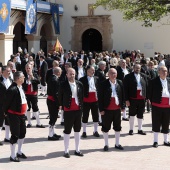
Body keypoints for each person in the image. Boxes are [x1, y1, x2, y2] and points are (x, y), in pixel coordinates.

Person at [59, 68, 84, 158]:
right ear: (67, 75)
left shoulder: (79, 84)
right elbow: (60, 96)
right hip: (68, 110)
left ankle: (77, 149)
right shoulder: (63, 84)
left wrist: (82, 108)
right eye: (70, 74)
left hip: (78, 109)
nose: (72, 75)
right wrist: (61, 105)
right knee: (67, 130)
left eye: (73, 74)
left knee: (77, 130)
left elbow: (82, 96)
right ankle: (66, 150)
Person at [98, 68, 125, 151]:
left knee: (117, 127)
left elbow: (123, 95)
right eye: (111, 73)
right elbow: (100, 98)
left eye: (114, 73)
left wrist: (123, 106)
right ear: (108, 74)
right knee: (105, 127)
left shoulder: (120, 82)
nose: (113, 75)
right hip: (107, 109)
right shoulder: (103, 84)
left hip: (117, 109)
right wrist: (101, 109)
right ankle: (106, 144)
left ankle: (117, 143)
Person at [5, 71, 27, 162]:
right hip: (14, 115)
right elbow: (6, 103)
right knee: (15, 134)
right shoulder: (12, 89)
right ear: (18, 78)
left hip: (21, 115)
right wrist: (6, 113)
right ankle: (12, 155)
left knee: (22, 133)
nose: (24, 78)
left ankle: (19, 152)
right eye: (23, 77)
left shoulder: (20, 87)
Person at [148, 66, 170, 148]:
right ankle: (155, 141)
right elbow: (149, 92)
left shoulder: (169, 80)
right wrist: (151, 101)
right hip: (157, 105)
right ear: (159, 72)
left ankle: (166, 140)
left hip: (167, 106)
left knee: (166, 123)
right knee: (156, 123)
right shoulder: (153, 81)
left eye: (166, 71)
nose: (165, 72)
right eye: (163, 71)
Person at [124, 64, 148, 136]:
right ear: (133, 68)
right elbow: (125, 89)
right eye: (136, 68)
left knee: (140, 114)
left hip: (142, 98)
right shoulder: (128, 77)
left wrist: (147, 97)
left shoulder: (144, 76)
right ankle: (131, 129)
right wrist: (126, 99)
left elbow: (146, 86)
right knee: (132, 114)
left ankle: (140, 129)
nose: (138, 69)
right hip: (132, 98)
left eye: (139, 68)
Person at [79, 66, 100, 138]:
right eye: (92, 70)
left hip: (95, 99)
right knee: (85, 116)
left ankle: (95, 130)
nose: (93, 71)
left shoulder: (96, 78)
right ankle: (84, 131)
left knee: (95, 115)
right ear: (87, 71)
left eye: (94, 70)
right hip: (86, 99)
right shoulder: (82, 79)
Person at [23, 63, 45, 128]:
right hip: (26, 93)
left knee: (35, 107)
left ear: (31, 68)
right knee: (28, 108)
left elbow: (38, 82)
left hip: (33, 93)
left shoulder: (35, 74)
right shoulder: (23, 75)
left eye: (29, 68)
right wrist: (27, 80)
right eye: (27, 68)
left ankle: (38, 123)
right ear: (25, 69)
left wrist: (32, 77)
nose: (28, 69)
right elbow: (21, 83)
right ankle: (29, 122)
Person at [47, 67, 62, 140]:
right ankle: (50, 135)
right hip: (52, 101)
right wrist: (59, 103)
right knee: (53, 117)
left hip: (51, 100)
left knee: (54, 117)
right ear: (58, 72)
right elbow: (55, 93)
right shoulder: (55, 80)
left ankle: (52, 132)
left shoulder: (52, 78)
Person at [0, 66, 13, 145]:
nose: (9, 72)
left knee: (8, 121)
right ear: (3, 72)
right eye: (8, 71)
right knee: (0, 121)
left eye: (10, 71)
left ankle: (7, 137)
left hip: (10, 104)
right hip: (1, 104)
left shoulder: (11, 80)